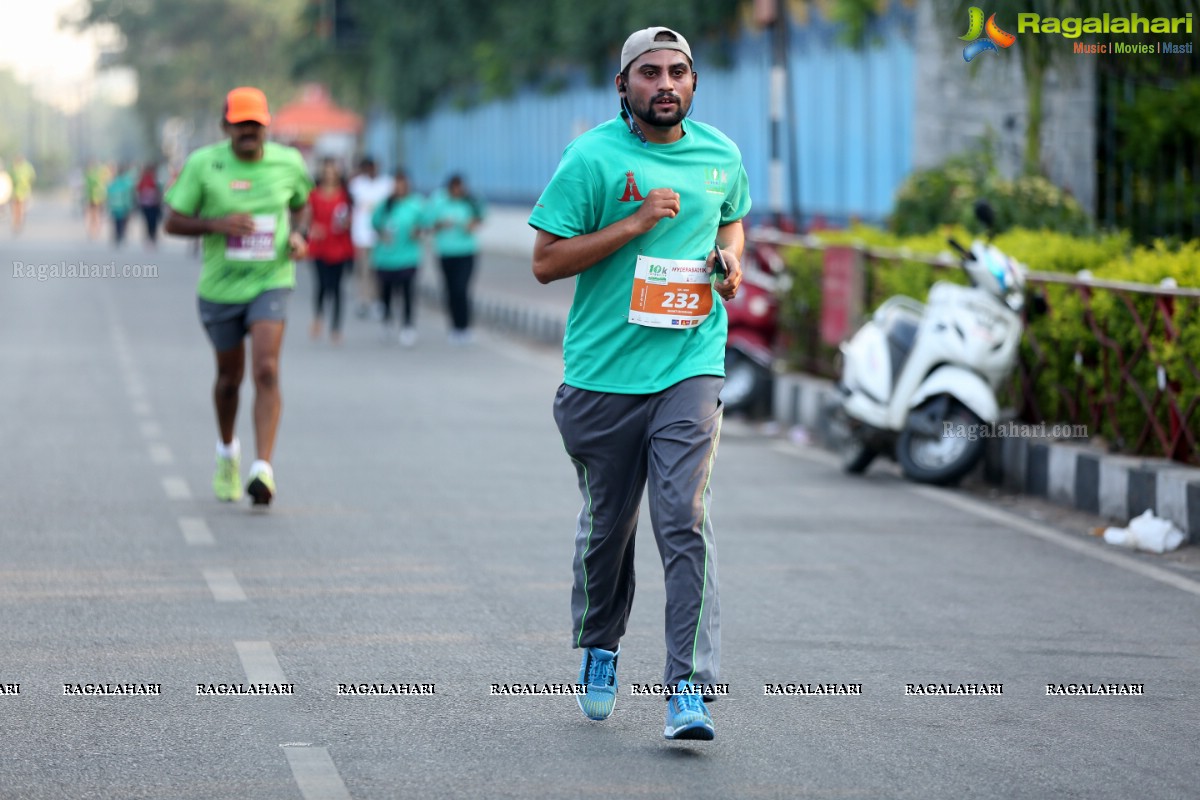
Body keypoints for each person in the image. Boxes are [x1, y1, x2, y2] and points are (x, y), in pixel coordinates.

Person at [529, 26, 750, 741]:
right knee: (608, 528)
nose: (665, 84)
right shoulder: (591, 157)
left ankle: (688, 686)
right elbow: (545, 261)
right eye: (649, 72)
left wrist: (729, 259)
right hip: (602, 375)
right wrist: (633, 223)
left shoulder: (720, 155)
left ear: (693, 83)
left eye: (678, 72)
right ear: (623, 85)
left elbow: (732, 223)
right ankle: (600, 644)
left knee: (683, 515)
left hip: (690, 362)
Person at [163, 86, 312, 507]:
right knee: (230, 380)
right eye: (241, 123)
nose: (249, 130)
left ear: (266, 125)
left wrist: (300, 235)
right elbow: (172, 222)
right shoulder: (203, 164)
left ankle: (263, 468)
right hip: (220, 288)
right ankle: (227, 451)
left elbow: (303, 205)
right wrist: (216, 223)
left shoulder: (289, 162)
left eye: (256, 124)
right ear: (226, 125)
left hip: (271, 279)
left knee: (266, 369)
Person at [427, 173, 484, 343]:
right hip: (445, 252)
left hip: (466, 251)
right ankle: (454, 326)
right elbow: (428, 223)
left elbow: (480, 217)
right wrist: (441, 224)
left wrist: (471, 225)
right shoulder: (439, 200)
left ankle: (465, 326)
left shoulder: (470, 201)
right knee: (450, 290)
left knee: (462, 289)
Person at [370, 169, 424, 346]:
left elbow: (425, 225)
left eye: (402, 185)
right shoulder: (385, 205)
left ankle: (408, 326)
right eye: (396, 185)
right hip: (386, 258)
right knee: (386, 293)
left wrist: (418, 232)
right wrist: (381, 234)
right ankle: (386, 321)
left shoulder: (415, 205)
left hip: (408, 257)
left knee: (408, 293)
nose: (399, 188)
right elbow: (374, 224)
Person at [307, 157, 354, 345]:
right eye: (326, 172)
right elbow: (307, 217)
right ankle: (318, 317)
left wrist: (347, 224)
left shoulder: (345, 196)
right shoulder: (314, 194)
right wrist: (312, 228)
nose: (329, 176)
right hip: (319, 246)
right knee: (321, 285)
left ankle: (336, 327)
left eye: (333, 173)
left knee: (337, 288)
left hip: (340, 247)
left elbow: (350, 219)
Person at [347, 157, 392, 320]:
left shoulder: (386, 184)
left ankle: (378, 300)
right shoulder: (357, 184)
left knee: (379, 270)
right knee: (363, 270)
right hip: (361, 235)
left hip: (380, 235)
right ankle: (363, 299)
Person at [106, 164, 135, 247]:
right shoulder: (127, 182)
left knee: (117, 223)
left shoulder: (113, 183)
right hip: (123, 207)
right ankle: (121, 235)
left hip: (115, 207)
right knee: (122, 222)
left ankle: (118, 236)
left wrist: (109, 206)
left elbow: (109, 194)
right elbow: (129, 195)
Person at [136, 163, 163, 248]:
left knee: (153, 222)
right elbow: (139, 190)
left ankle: (153, 237)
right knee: (148, 222)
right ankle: (149, 237)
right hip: (146, 204)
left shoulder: (155, 180)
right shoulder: (143, 179)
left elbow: (159, 191)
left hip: (154, 204)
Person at [84, 161, 110, 240]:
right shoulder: (99, 175)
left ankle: (94, 230)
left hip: (94, 198)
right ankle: (95, 230)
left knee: (94, 215)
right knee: (95, 215)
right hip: (96, 198)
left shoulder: (90, 175)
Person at [9, 156, 35, 235]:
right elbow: (9, 178)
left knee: (21, 207)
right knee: (15, 208)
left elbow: (32, 177)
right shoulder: (13, 167)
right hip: (14, 192)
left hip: (23, 191)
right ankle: (16, 222)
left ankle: (20, 221)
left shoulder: (27, 167)